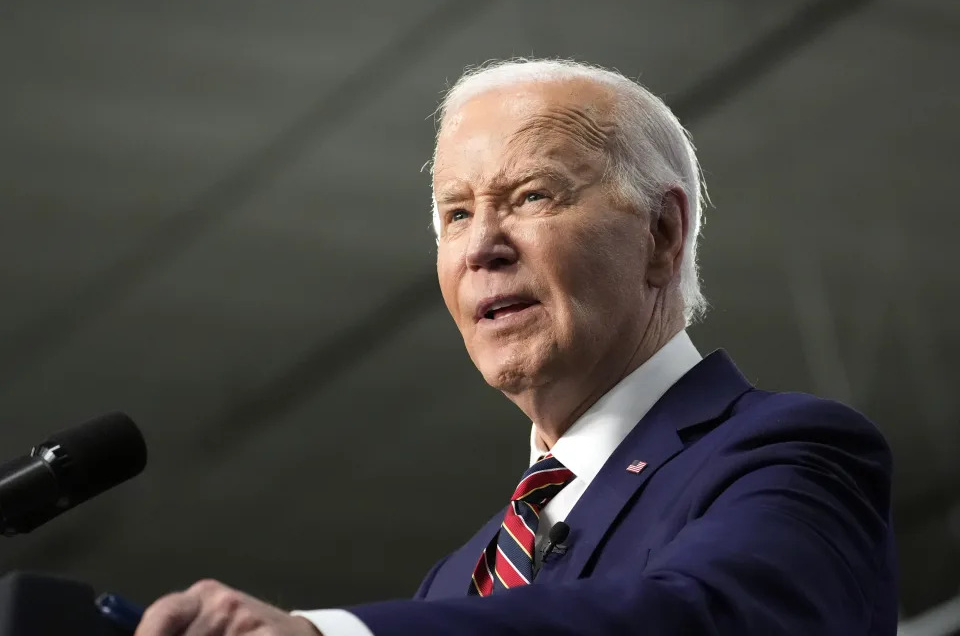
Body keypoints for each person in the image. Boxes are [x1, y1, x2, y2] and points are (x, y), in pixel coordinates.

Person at [134, 58, 897, 636]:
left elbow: (706, 616)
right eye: (457, 214)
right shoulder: (455, 580)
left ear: (663, 235)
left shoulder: (786, 452)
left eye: (531, 196)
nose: (482, 247)